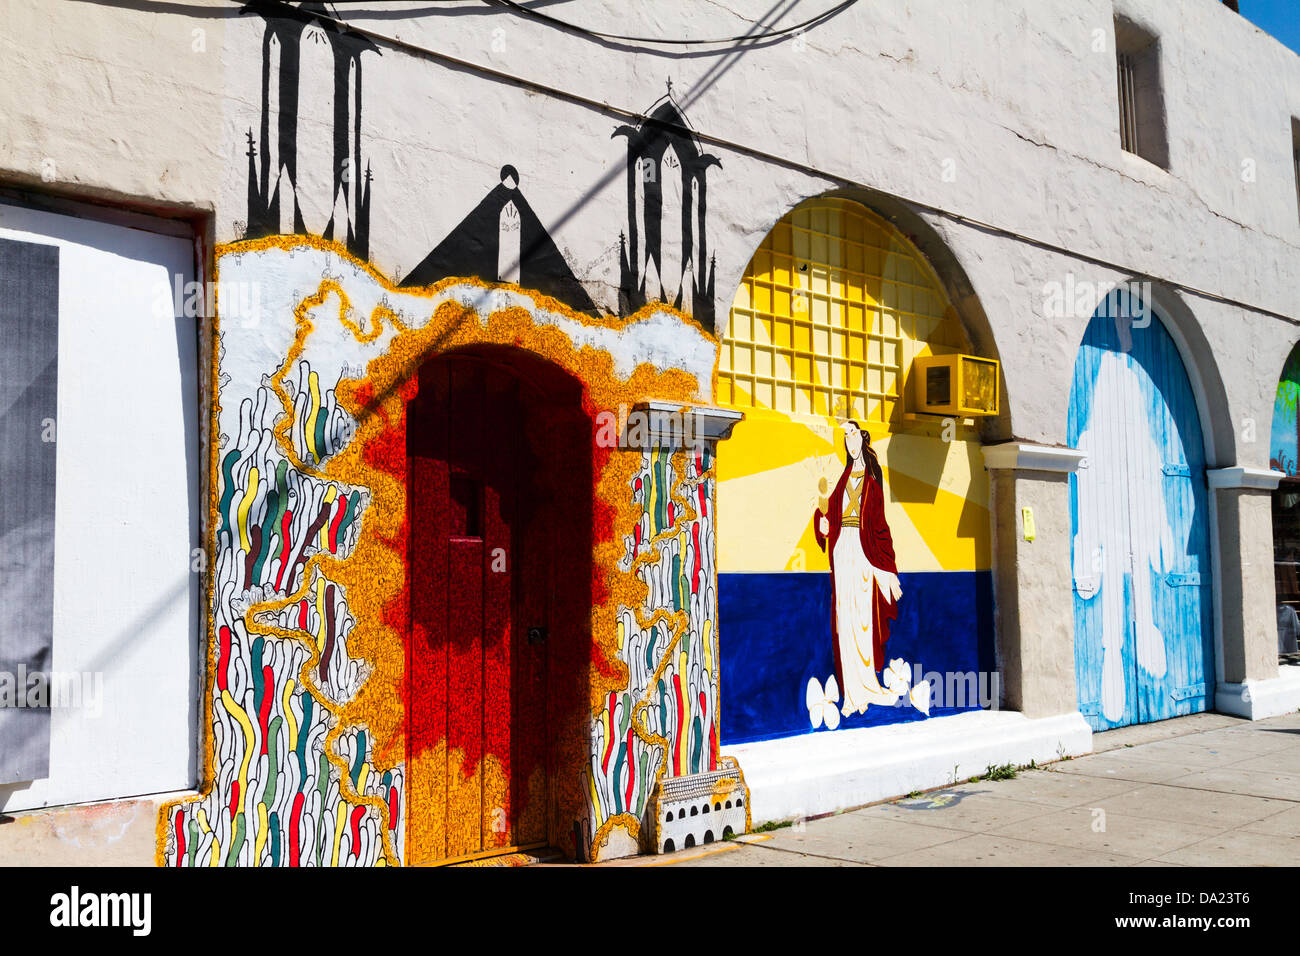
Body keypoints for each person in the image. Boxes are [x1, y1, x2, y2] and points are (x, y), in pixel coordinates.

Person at [815, 421, 904, 715]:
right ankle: (852, 693)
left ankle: (867, 685)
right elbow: (831, 518)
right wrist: (824, 526)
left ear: (861, 438)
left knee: (863, 618)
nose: (848, 439)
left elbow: (879, 525)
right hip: (843, 552)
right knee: (846, 618)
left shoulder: (872, 483)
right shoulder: (842, 480)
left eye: (852, 433)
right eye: (844, 435)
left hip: (865, 554)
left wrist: (887, 566)